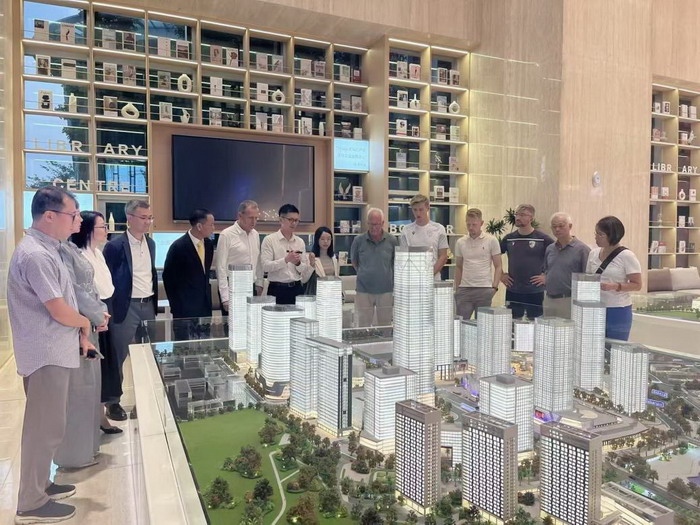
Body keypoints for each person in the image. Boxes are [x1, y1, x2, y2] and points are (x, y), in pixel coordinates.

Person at [8, 187, 94, 524]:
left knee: (50, 426)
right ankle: (30, 502)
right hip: (46, 354)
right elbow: (58, 309)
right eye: (72, 215)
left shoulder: (49, 250)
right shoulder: (36, 255)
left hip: (54, 351)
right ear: (49, 216)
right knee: (43, 430)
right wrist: (84, 322)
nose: (77, 221)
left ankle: (41, 485)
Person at [55, 209, 111, 469]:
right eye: (74, 215)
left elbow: (90, 289)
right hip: (77, 327)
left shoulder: (71, 250)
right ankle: (75, 455)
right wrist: (97, 313)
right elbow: (73, 291)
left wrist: (100, 311)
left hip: (90, 324)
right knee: (78, 392)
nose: (77, 220)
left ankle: (88, 448)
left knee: (90, 388)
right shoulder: (61, 252)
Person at [103, 199, 158, 421]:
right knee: (119, 355)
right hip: (125, 307)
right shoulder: (115, 246)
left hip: (148, 305)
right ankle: (113, 402)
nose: (147, 222)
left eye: (149, 217)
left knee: (148, 355)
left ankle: (145, 400)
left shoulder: (151, 244)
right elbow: (107, 280)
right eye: (143, 218)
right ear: (129, 218)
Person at [72, 211, 122, 434]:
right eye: (102, 226)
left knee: (107, 366)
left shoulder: (98, 253)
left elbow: (107, 286)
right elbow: (85, 293)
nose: (106, 230)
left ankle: (101, 416)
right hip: (92, 313)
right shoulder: (79, 256)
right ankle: (93, 420)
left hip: (105, 308)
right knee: (95, 367)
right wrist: (96, 314)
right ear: (89, 230)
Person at [586, 216, 642, 340]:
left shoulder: (627, 256)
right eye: (596, 233)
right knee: (595, 345)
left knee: (616, 346)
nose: (596, 237)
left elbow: (637, 284)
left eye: (600, 234)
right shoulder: (593, 253)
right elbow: (588, 277)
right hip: (595, 308)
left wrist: (615, 286)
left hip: (617, 309)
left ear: (612, 235)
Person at [500, 204, 554, 319]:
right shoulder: (509, 238)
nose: (518, 217)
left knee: (534, 322)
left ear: (531, 218)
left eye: (522, 215)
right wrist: (501, 275)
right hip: (513, 289)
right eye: (517, 214)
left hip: (535, 291)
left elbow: (557, 257)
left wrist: (547, 276)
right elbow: (494, 256)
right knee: (512, 322)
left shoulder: (543, 239)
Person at [162, 209, 215, 322]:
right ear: (199, 226)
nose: (213, 228)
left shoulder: (209, 245)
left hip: (205, 306)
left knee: (206, 332)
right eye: (211, 225)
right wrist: (175, 305)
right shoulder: (178, 247)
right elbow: (168, 278)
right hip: (184, 308)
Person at [350, 208, 399, 326]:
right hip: (363, 290)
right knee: (363, 326)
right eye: (371, 224)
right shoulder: (358, 240)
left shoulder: (392, 240)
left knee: (385, 325)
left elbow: (395, 263)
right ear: (367, 223)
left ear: (382, 223)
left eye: (376, 224)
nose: (373, 227)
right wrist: (366, 273)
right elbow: (354, 262)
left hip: (386, 290)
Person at [538, 212, 591, 319]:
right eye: (554, 227)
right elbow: (547, 270)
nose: (557, 229)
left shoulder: (582, 249)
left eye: (561, 226)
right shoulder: (550, 249)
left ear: (570, 226)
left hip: (568, 300)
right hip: (549, 299)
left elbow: (587, 278)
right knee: (548, 328)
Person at [454, 208, 502, 320]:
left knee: (483, 324)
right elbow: (458, 266)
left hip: (484, 289)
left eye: (474, 224)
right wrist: (458, 289)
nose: (471, 227)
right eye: (468, 224)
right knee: (461, 323)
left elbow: (498, 266)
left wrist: (494, 287)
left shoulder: (491, 240)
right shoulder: (460, 242)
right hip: (465, 289)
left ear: (481, 223)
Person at [215, 200, 263, 313]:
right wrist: (225, 297)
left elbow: (258, 261)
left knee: (250, 321)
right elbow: (220, 267)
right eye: (250, 218)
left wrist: (259, 283)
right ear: (240, 216)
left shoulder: (255, 234)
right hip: (232, 286)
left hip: (250, 286)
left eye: (256, 218)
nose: (254, 221)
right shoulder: (226, 234)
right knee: (231, 322)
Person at [261, 203, 314, 304]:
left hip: (296, 288)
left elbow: (303, 269)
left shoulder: (300, 242)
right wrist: (286, 260)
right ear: (281, 219)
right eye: (290, 219)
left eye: (296, 220)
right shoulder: (269, 240)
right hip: (277, 289)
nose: (294, 223)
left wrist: (298, 263)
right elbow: (265, 267)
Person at [399, 193, 449, 279]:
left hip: (433, 279)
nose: (418, 213)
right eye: (415, 210)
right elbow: (404, 257)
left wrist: (428, 275)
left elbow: (443, 256)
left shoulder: (439, 229)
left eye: (421, 209)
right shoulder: (406, 230)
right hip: (413, 278)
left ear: (427, 208)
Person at [306, 226, 339, 294]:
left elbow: (336, 277)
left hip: (332, 292)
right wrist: (311, 265)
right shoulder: (310, 257)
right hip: (317, 293)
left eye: (328, 239)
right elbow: (304, 279)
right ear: (317, 240)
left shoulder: (334, 257)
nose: (326, 241)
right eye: (322, 239)